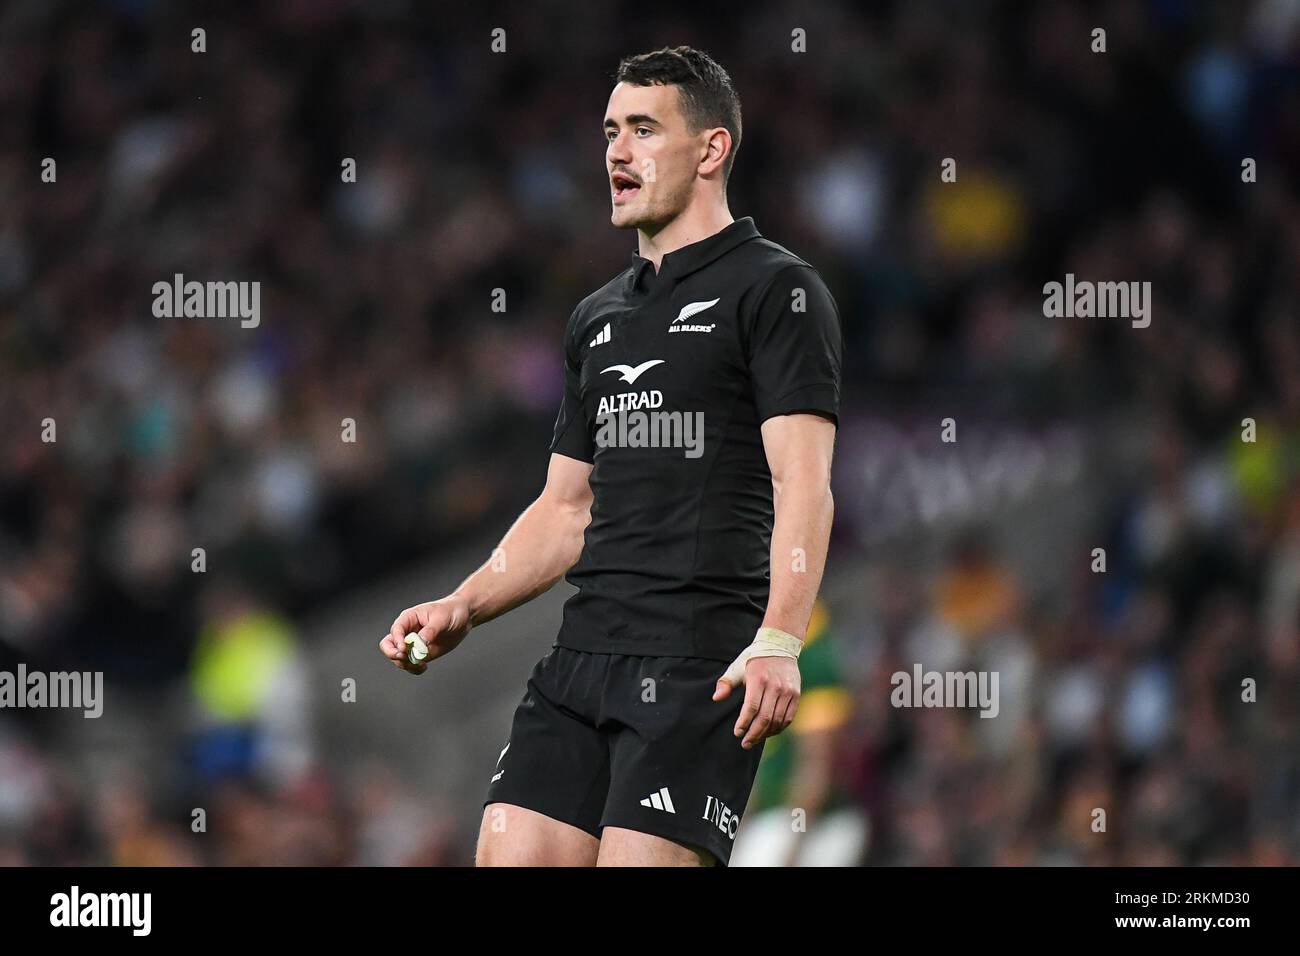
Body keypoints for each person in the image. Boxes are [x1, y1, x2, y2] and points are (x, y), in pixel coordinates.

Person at [379, 45, 843, 866]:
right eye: (608, 133)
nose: (616, 154)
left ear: (711, 150)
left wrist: (779, 638)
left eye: (642, 130)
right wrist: (464, 603)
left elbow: (802, 479)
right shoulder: (597, 319)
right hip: (580, 661)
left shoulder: (776, 290)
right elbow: (567, 508)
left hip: (699, 664)